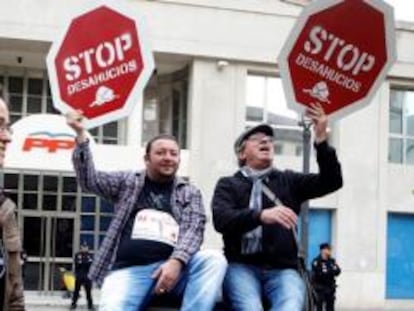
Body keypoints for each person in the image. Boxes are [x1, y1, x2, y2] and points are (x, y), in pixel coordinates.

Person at [66, 110, 227, 311]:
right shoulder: (127, 182)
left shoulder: (189, 192)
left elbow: (194, 230)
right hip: (129, 272)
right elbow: (90, 181)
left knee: (213, 260)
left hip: (175, 270)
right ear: (146, 158)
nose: (168, 158)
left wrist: (176, 262)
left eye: (173, 153)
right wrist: (81, 137)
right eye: (160, 153)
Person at [211, 103, 343, 311]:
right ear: (242, 154)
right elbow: (222, 220)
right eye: (256, 139)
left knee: (290, 306)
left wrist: (321, 141)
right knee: (249, 307)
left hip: (283, 270)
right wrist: (261, 215)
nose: (265, 141)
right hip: (241, 267)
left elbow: (332, 181)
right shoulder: (228, 184)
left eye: (269, 139)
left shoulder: (288, 180)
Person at [0, 96, 25, 310]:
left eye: (6, 127)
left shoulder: (5, 208)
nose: (7, 138)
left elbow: (15, 296)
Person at [312, 243, 341, 311]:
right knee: (319, 307)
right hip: (320, 288)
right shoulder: (316, 261)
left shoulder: (332, 261)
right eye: (328, 249)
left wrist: (329, 272)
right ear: (323, 250)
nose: (329, 251)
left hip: (330, 288)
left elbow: (338, 271)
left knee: (330, 308)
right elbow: (319, 273)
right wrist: (330, 272)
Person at [70, 243, 94, 310]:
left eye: (86, 247)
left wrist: (82, 262)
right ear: (81, 248)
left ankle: (90, 305)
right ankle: (73, 304)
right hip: (79, 276)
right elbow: (77, 264)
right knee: (76, 291)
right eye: (83, 247)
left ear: (88, 248)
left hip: (87, 276)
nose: (84, 248)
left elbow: (91, 265)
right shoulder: (77, 255)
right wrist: (85, 262)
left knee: (88, 292)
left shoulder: (90, 255)